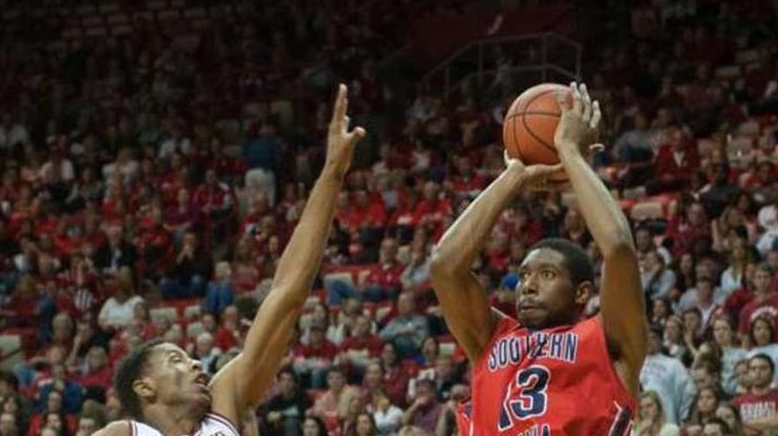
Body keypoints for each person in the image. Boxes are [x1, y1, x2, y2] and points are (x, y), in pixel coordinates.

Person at [91, 84, 365, 436]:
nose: (195, 364)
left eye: (190, 357)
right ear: (145, 388)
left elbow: (287, 294)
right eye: (177, 360)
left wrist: (332, 173)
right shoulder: (125, 433)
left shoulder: (224, 402)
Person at [430, 83, 646, 435]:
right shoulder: (491, 337)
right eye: (525, 274)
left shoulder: (608, 341)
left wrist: (569, 153)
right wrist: (513, 175)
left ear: (581, 292)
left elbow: (619, 248)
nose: (527, 285)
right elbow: (444, 266)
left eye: (547, 274)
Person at [731, 354, 778, 436]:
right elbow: (733, 426)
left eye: (763, 368)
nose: (757, 372)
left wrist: (743, 423)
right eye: (753, 369)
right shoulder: (737, 401)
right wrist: (767, 423)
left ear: (772, 373)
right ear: (748, 373)